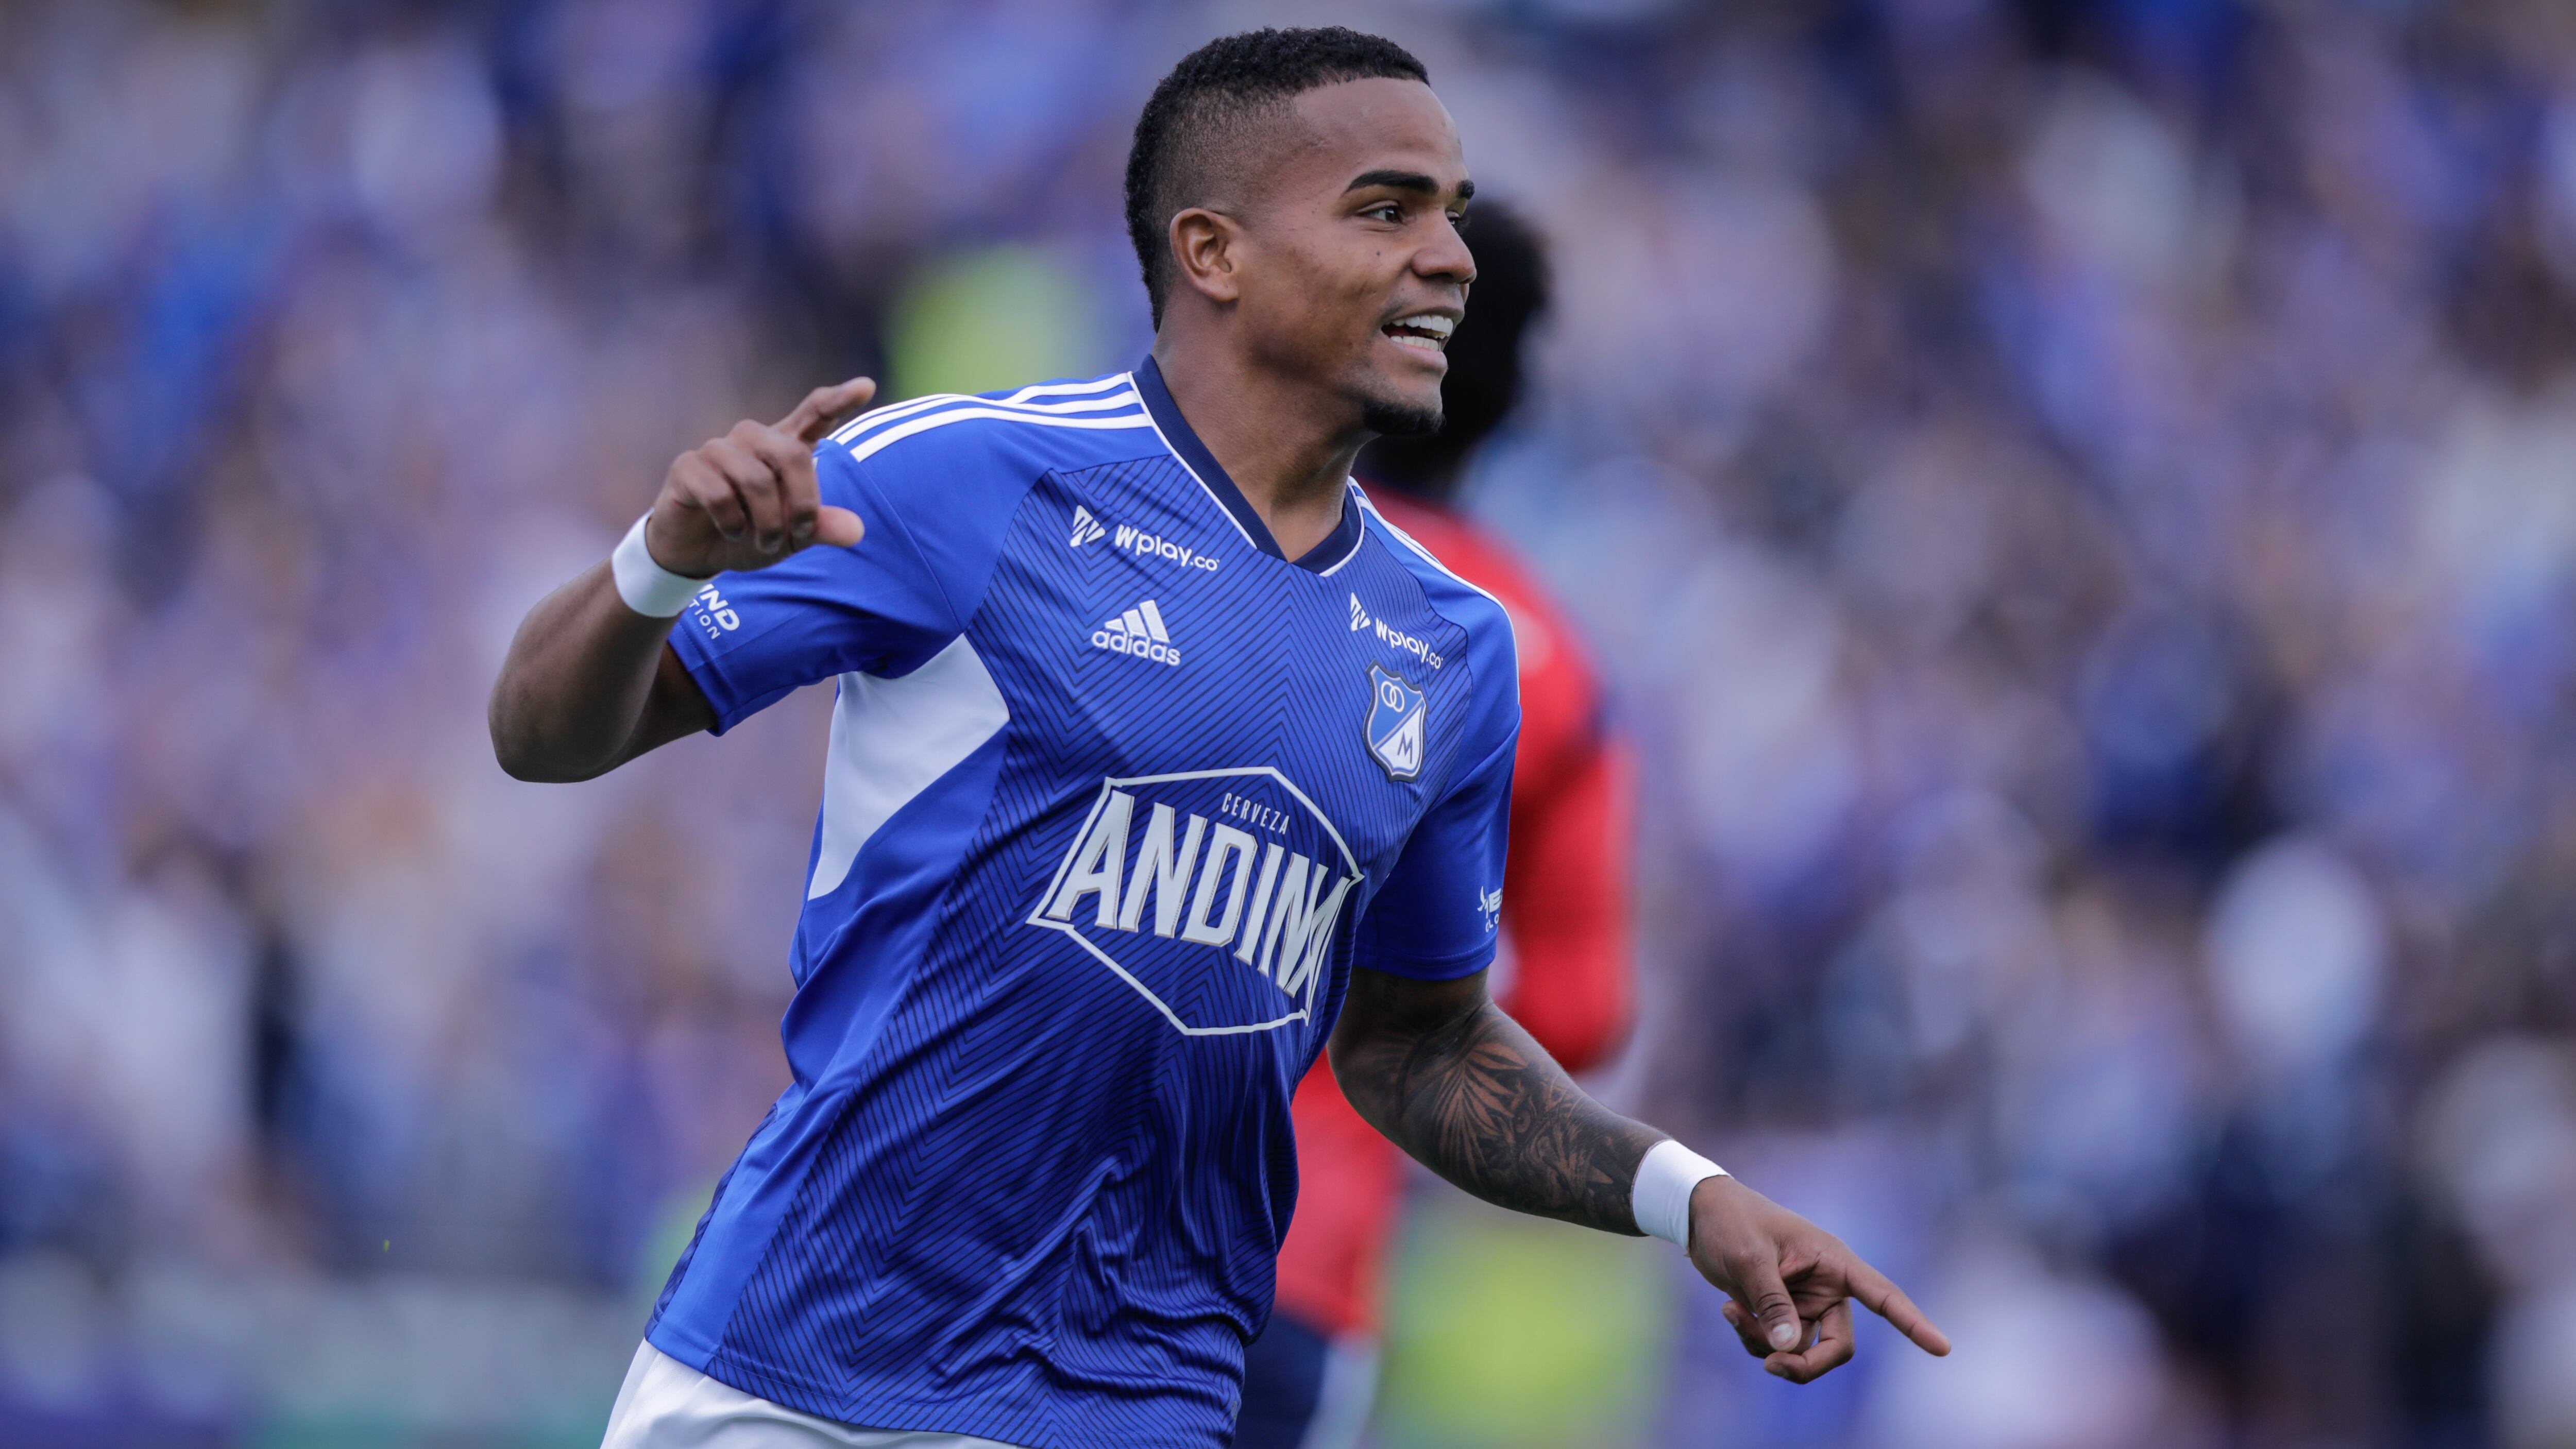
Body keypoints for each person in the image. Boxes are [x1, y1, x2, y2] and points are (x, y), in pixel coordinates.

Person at [488, 27, 1948, 1449]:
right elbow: (542, 734)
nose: (1447, 258)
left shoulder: (1457, 647)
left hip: (1145, 1395)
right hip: (802, 1367)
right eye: (1387, 211)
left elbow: (1420, 1046)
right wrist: (655, 567)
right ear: (1214, 252)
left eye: (1454, 217)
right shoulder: (967, 475)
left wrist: (1689, 1194)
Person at [1235, 204, 1636, 1449]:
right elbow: (1581, 1009)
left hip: (1020, 1223)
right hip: (1286, 1272)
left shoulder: (1186, 553)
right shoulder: (1550, 668)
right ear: (1514, 400)